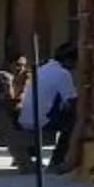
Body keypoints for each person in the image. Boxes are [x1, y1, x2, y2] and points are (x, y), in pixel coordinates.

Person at [23, 44, 78, 174]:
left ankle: (37, 155)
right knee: (76, 124)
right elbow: (73, 102)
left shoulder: (42, 68)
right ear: (70, 60)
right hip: (42, 121)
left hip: (26, 118)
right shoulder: (63, 73)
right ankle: (57, 161)